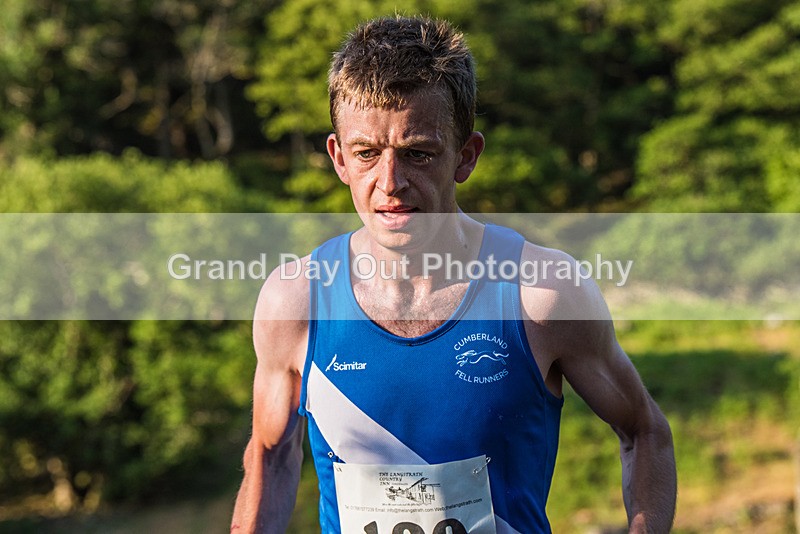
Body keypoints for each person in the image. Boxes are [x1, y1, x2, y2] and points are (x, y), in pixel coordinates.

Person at [231, 15, 676, 534]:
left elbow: (645, 432)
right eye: (366, 154)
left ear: (466, 157)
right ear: (338, 158)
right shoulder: (295, 301)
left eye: (418, 154)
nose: (389, 183)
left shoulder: (543, 294)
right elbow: (271, 453)